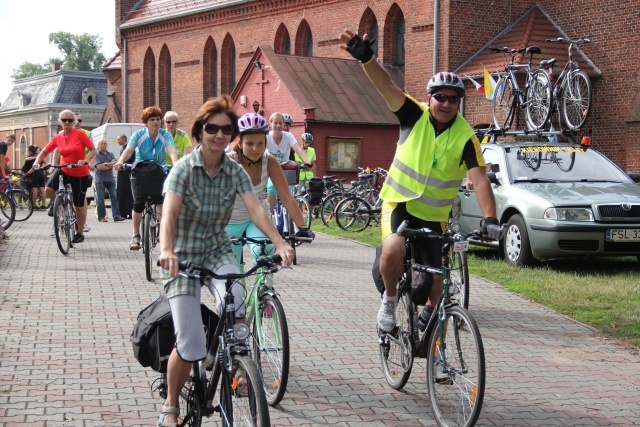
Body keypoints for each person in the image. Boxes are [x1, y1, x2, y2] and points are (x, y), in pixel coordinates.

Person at [338, 30, 500, 332]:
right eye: (440, 97)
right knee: (394, 249)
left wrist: (490, 218)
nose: (446, 103)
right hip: (399, 202)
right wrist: (367, 59)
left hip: (434, 218)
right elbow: (386, 86)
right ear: (430, 98)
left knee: (438, 283)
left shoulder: (466, 136)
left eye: (453, 99)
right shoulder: (413, 114)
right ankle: (388, 300)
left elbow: (479, 179)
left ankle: (429, 335)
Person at [157, 96, 294, 427]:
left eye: (225, 129)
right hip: (183, 256)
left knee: (235, 303)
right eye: (212, 128)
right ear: (200, 132)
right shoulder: (182, 170)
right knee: (190, 344)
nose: (219, 134)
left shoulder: (234, 171)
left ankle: (233, 363)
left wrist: (279, 241)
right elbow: (169, 214)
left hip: (218, 248)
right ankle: (171, 404)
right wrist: (166, 249)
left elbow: (256, 208)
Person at [226, 112, 314, 264]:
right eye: (249, 144)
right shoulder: (231, 162)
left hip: (259, 219)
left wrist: (302, 226)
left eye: (260, 143)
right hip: (232, 220)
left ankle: (264, 288)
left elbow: (286, 196)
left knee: (266, 253)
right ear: (240, 142)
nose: (255, 149)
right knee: (230, 268)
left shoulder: (270, 161)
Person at [114, 106, 178, 251]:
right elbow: (129, 150)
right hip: (141, 171)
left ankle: (162, 232)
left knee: (160, 201)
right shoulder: (138, 135)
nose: (156, 122)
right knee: (138, 204)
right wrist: (120, 162)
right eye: (152, 120)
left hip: (159, 170)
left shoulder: (165, 135)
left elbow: (171, 151)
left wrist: (175, 164)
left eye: (158, 119)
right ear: (146, 122)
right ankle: (136, 235)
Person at [34, 110, 96, 244]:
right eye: (64, 120)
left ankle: (79, 232)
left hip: (79, 172)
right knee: (49, 189)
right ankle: (60, 205)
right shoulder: (58, 137)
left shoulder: (80, 134)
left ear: (74, 122)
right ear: (60, 121)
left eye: (69, 120)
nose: (66, 122)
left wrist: (86, 160)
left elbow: (93, 149)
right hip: (63, 169)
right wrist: (36, 163)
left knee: (79, 205)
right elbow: (45, 151)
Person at [265, 112, 312, 214]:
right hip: (270, 168)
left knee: (289, 190)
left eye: (280, 123)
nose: (278, 126)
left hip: (285, 168)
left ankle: (290, 218)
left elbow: (298, 150)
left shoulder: (289, 136)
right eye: (275, 123)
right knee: (271, 188)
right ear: (271, 124)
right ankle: (268, 217)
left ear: (283, 124)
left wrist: (307, 162)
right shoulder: (266, 136)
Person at [93, 139, 125, 222]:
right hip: (100, 180)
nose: (103, 145)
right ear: (98, 146)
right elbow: (99, 167)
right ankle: (101, 217)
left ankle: (117, 216)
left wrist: (106, 164)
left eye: (105, 143)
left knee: (114, 198)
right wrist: (109, 164)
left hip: (110, 179)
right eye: (101, 144)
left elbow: (115, 163)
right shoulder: (96, 155)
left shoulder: (110, 154)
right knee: (100, 199)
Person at [116, 134, 135, 219]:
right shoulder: (123, 148)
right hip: (124, 174)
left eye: (119, 139)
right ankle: (124, 211)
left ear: (124, 139)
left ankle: (127, 211)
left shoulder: (128, 149)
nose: (117, 141)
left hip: (127, 173)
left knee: (127, 192)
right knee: (124, 192)